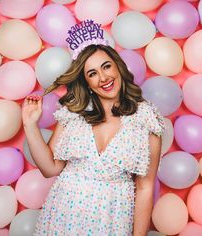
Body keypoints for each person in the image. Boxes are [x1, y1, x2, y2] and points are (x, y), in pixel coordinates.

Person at [22, 20, 166, 236]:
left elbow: (145, 189)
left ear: (117, 65)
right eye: (92, 73)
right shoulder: (74, 113)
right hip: (65, 213)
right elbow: (49, 168)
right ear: (86, 82)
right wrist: (30, 125)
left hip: (112, 218)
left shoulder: (146, 120)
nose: (104, 78)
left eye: (106, 66)